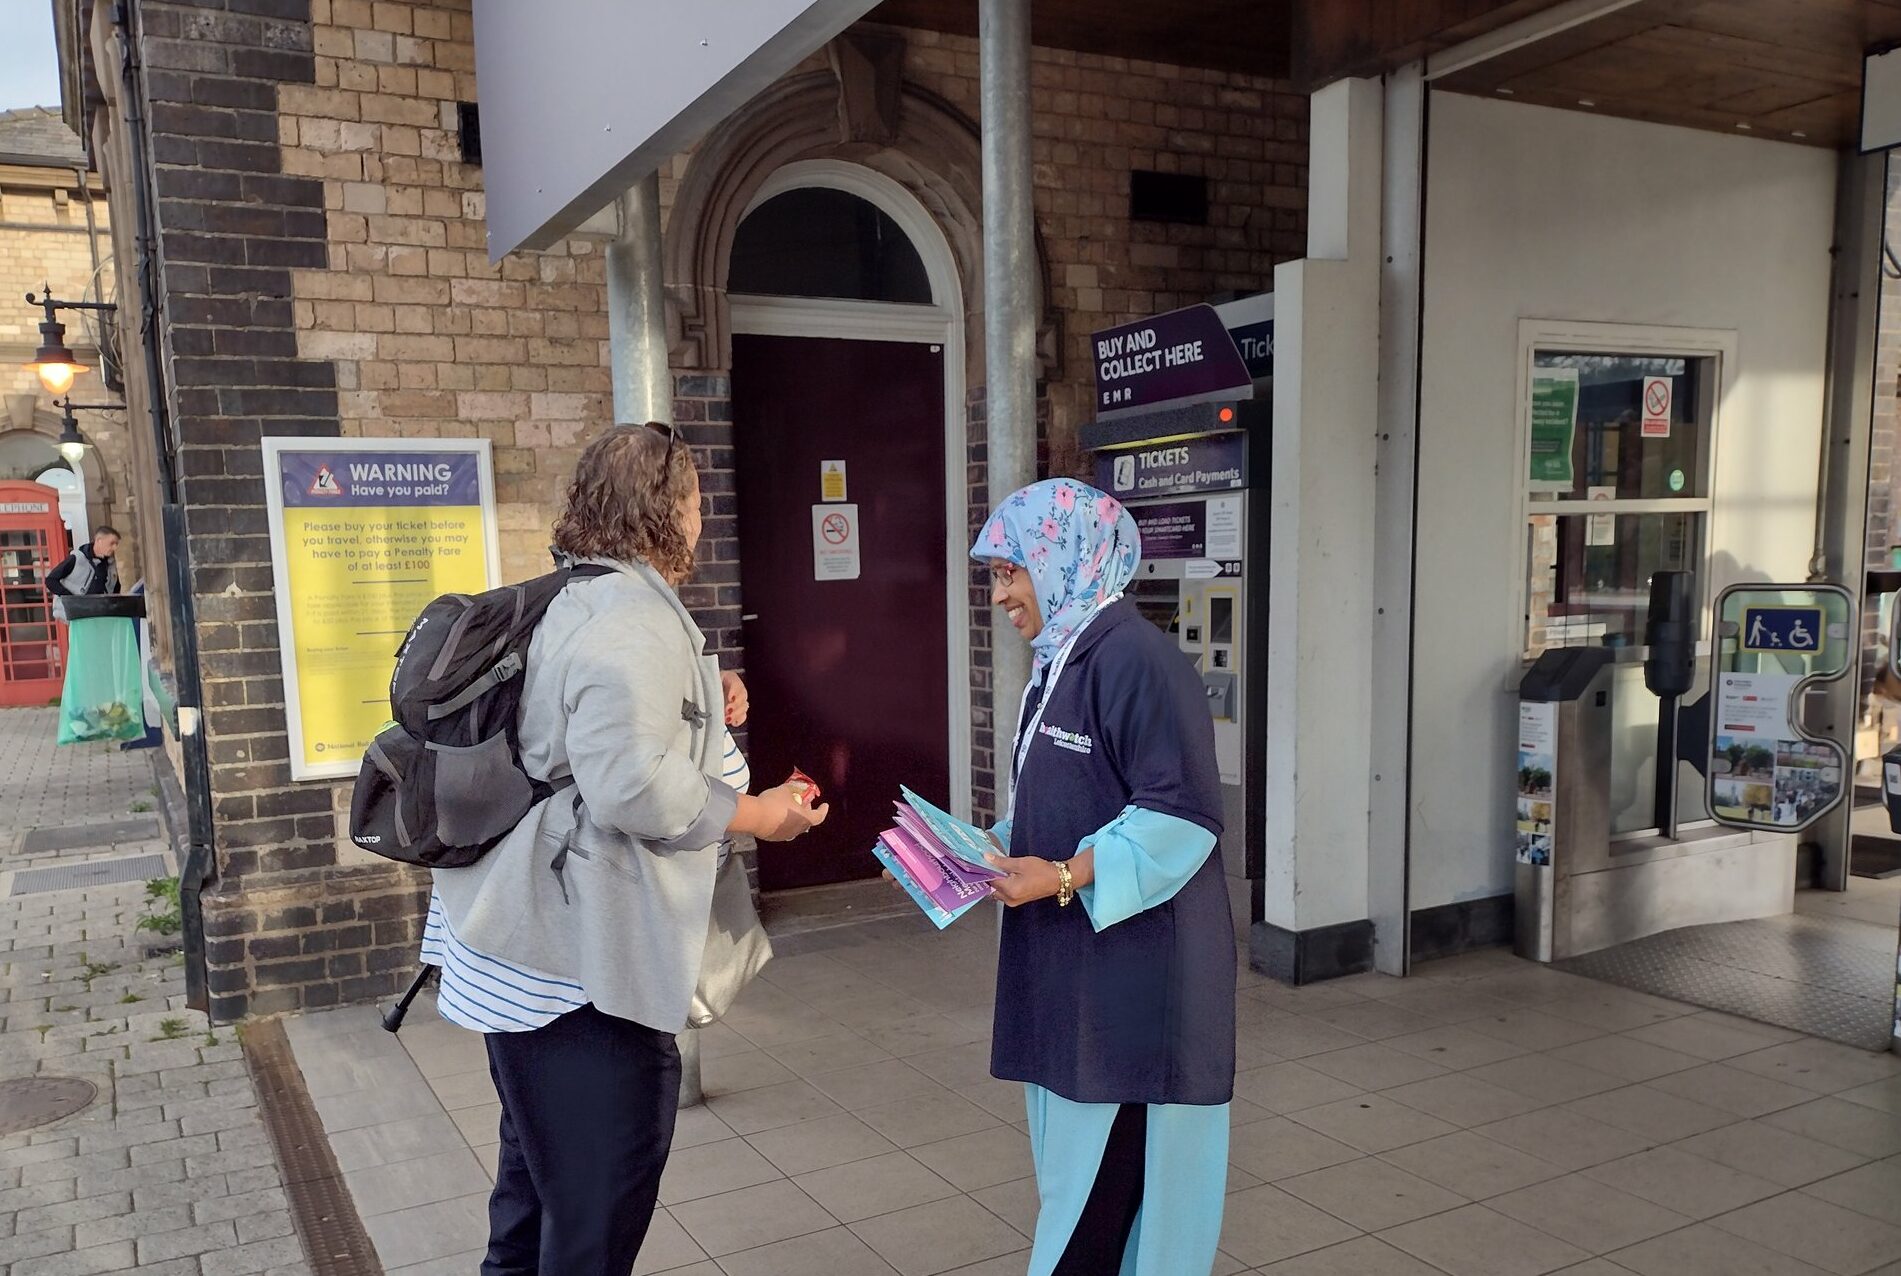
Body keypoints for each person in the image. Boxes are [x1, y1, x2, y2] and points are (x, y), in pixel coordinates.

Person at [422, 423, 828, 1276]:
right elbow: (630, 786)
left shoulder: (573, 595)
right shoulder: (633, 619)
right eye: (696, 502)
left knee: (532, 1207)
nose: (701, 518)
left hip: (519, 957)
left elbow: (575, 726)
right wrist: (758, 815)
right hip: (578, 977)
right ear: (674, 509)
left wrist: (703, 698)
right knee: (596, 1215)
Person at [974, 478, 1236, 1276]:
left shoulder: (1137, 662)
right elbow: (1068, 801)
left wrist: (1059, 876)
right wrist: (971, 850)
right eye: (995, 576)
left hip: (1136, 987)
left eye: (1009, 572)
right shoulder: (1061, 662)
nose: (1001, 596)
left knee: (1102, 1208)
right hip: (1077, 970)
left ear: (1061, 560)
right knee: (1082, 1191)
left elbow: (1178, 818)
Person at [45, 526, 120, 621]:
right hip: (77, 615)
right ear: (99, 541)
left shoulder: (110, 564)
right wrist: (71, 599)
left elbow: (116, 588)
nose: (115, 547)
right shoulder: (76, 558)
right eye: (112, 543)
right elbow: (50, 580)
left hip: (100, 616)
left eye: (116, 544)